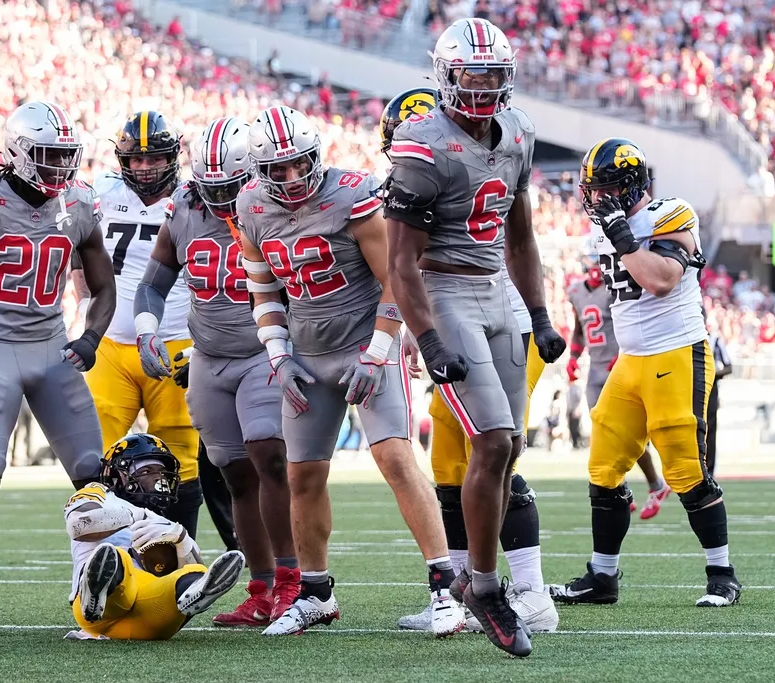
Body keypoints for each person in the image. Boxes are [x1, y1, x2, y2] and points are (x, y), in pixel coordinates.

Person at [237, 105, 465, 638]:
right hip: (308, 355)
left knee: (395, 457)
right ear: (258, 172)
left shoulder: (350, 195)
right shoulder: (250, 207)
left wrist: (377, 351)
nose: (293, 177)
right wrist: (277, 354)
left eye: (301, 164)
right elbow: (264, 289)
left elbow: (396, 279)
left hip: (366, 341)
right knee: (302, 474)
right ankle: (316, 592)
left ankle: (445, 589)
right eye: (279, 169)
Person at [384, 19, 566, 656]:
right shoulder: (421, 142)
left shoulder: (517, 132)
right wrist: (426, 335)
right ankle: (485, 586)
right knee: (491, 440)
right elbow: (400, 261)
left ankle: (479, 576)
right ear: (446, 75)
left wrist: (539, 312)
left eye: (494, 73)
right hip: (445, 291)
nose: (484, 85)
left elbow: (520, 236)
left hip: (497, 291)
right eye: (472, 73)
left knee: (509, 448)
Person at [0, 101, 117, 637]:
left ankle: (98, 590)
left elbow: (104, 287)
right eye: (46, 155)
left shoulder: (78, 203)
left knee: (92, 480)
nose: (58, 167)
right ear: (16, 152)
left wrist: (91, 337)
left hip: (53, 349)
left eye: (64, 156)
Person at [550, 137, 741, 608]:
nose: (595, 198)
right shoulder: (601, 228)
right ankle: (603, 577)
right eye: (590, 189)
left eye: (605, 189)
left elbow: (659, 280)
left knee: (686, 469)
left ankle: (722, 574)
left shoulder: (670, 213)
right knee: (604, 467)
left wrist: (622, 234)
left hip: (677, 353)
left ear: (630, 186)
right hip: (630, 360)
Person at [135, 116, 300, 628]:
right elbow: (154, 282)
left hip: (261, 353)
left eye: (229, 186)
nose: (220, 197)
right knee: (233, 476)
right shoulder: (184, 209)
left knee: (269, 456)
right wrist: (146, 330)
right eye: (211, 186)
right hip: (208, 357)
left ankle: (295, 582)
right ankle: (261, 586)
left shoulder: (274, 208)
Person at [71, 111, 203, 536]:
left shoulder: (193, 197)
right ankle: (105, 553)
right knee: (94, 455)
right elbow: (77, 250)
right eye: (136, 160)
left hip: (176, 339)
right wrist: (85, 303)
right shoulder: (102, 193)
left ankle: (181, 556)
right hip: (109, 344)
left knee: (181, 454)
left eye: (154, 159)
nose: (144, 168)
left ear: (173, 157)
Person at [64, 433, 245, 640]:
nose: (157, 478)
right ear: (118, 475)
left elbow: (188, 563)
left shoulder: (161, 519)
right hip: (101, 614)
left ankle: (192, 598)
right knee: (117, 559)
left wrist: (181, 537)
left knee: (195, 571)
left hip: (146, 618)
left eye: (161, 472)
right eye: (147, 471)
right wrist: (136, 515)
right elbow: (79, 524)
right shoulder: (98, 494)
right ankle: (97, 594)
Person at [567, 264, 671, 519]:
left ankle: (655, 485)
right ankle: (624, 488)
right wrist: (573, 355)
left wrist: (625, 351)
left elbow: (632, 321)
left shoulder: (614, 288)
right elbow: (580, 329)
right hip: (595, 371)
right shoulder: (576, 292)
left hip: (621, 365)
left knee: (627, 434)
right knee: (603, 434)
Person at [707, 325, 732, 472]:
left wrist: (712, 373)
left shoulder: (715, 340)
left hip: (710, 386)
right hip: (689, 385)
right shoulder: (685, 339)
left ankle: (709, 470)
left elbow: (729, 366)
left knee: (710, 428)